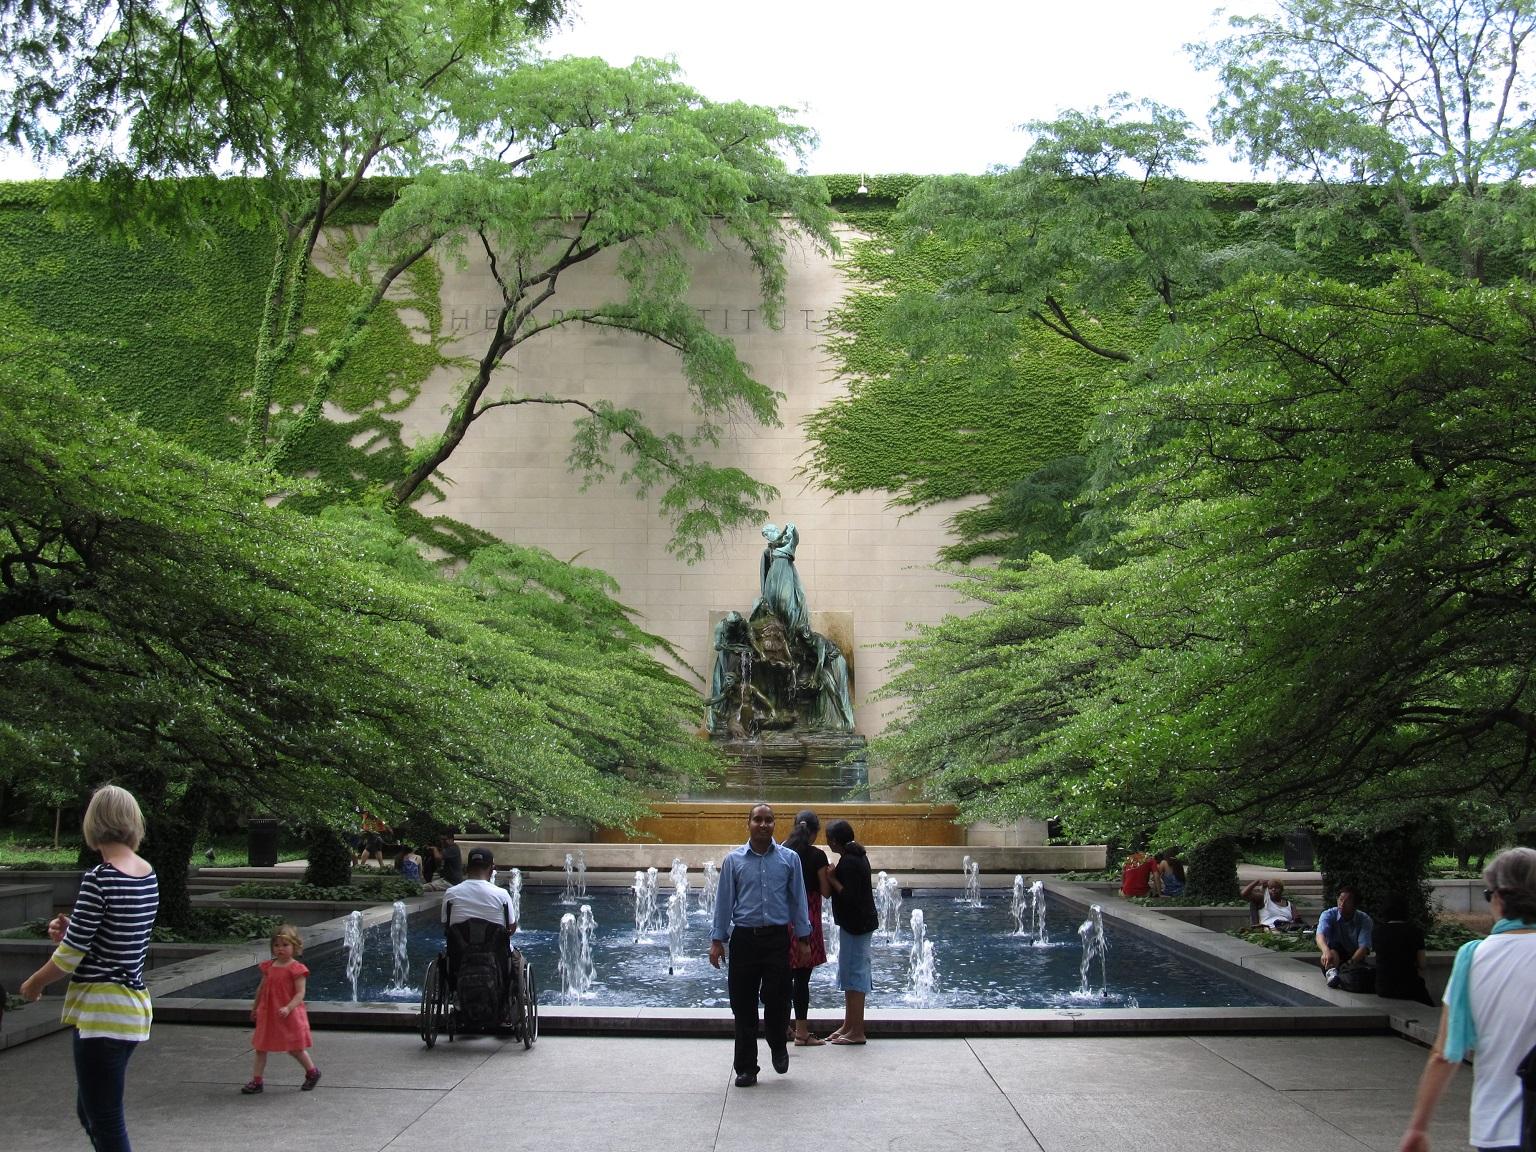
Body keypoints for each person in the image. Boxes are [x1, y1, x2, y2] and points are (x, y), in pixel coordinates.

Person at [19, 784, 159, 1152]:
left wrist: (34, 983)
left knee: (106, 1120)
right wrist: (70, 932)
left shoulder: (100, 878)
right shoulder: (147, 874)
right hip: (131, 1012)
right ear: (132, 822)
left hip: (102, 1015)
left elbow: (70, 957)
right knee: (90, 1112)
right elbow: (116, 937)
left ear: (94, 823)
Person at [1398, 847, 1536, 1152]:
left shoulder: (1473, 957)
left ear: (1498, 897)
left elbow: (1445, 1053)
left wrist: (1419, 1126)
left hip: (1499, 1127)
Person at [709, 803, 812, 1087]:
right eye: (758, 819)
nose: (763, 824)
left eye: (768, 820)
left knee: (779, 1000)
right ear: (749, 823)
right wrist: (717, 940)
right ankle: (746, 1068)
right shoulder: (734, 860)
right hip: (744, 939)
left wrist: (804, 939)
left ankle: (778, 1044)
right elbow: (724, 902)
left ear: (774, 824)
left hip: (778, 939)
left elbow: (798, 900)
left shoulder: (789, 859)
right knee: (743, 1006)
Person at [242, 924, 319, 1093]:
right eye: (276, 945)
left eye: (285, 945)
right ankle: (257, 1081)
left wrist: (288, 1007)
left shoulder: (296, 969)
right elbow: (261, 989)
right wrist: (255, 1008)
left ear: (295, 946)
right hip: (269, 1013)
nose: (280, 949)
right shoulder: (269, 967)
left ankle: (312, 1072)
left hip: (288, 1013)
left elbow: (300, 994)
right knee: (260, 1047)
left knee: (294, 1049)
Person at [441, 846, 522, 999]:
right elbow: (511, 928)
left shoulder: (451, 893)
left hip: (459, 957)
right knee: (518, 961)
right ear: (492, 869)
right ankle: (511, 1003)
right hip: (496, 960)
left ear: (467, 867)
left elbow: (446, 926)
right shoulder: (502, 895)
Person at [824, 818, 877, 1045]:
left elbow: (850, 897)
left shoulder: (850, 863)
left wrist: (832, 879)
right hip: (855, 925)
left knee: (855, 976)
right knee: (849, 973)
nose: (828, 844)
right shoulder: (854, 857)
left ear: (835, 841)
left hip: (857, 926)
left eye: (828, 840)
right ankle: (849, 1024)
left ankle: (857, 1031)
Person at [782, 810, 832, 1046]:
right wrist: (832, 875)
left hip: (782, 917)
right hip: (807, 917)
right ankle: (802, 1033)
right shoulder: (818, 856)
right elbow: (825, 891)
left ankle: (783, 1027)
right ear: (814, 833)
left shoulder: (781, 852)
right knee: (802, 979)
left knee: (781, 977)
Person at [1373, 896, 1435, 1007]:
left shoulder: (1377, 932)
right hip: (1408, 987)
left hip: (1383, 987)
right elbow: (1422, 964)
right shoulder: (1415, 932)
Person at [755, 521, 810, 638]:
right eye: (764, 535)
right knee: (773, 603)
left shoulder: (787, 545)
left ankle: (790, 634)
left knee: (786, 602)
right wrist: (765, 590)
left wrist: (793, 529)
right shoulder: (768, 551)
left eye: (766, 534)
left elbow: (796, 540)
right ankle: (777, 633)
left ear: (774, 531)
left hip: (786, 577)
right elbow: (764, 570)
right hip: (773, 578)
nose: (766, 537)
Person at [1317, 885, 1374, 986]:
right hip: (1333, 955)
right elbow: (1320, 935)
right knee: (1332, 949)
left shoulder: (1364, 920)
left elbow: (1364, 947)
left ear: (1355, 905)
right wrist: (1325, 951)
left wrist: (1349, 964)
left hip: (1354, 956)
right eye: (1340, 899)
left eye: (1347, 902)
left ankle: (1343, 976)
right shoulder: (1328, 915)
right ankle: (1332, 974)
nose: (1342, 904)